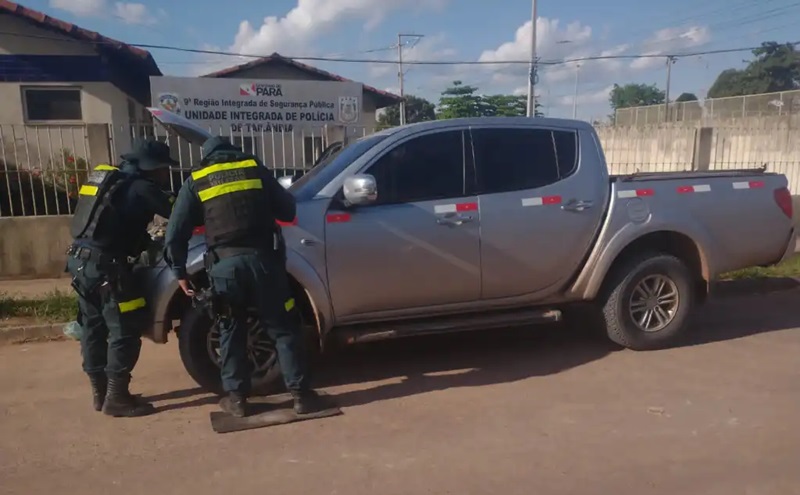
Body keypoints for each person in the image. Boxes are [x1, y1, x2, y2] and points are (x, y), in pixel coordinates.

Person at [164, 136, 330, 418]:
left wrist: (179, 271)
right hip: (265, 262)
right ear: (234, 151)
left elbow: (175, 232)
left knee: (231, 329)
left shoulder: (198, 179)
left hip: (224, 268)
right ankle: (301, 397)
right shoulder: (255, 168)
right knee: (283, 327)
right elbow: (288, 209)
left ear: (207, 156)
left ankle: (238, 401)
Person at [66, 139, 177, 417]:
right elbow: (177, 213)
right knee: (124, 329)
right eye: (165, 168)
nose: (167, 174)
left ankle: (100, 392)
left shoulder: (110, 181)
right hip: (107, 269)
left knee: (93, 326)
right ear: (152, 167)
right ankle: (117, 397)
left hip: (78, 262)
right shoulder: (142, 188)